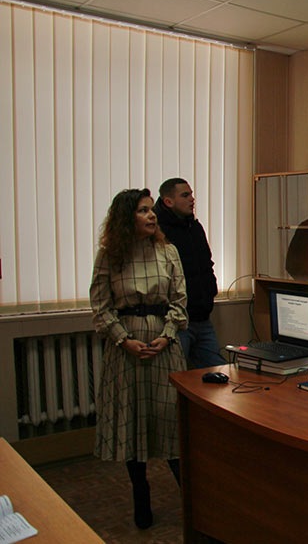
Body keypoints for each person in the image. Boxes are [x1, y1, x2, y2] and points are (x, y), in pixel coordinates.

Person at [89, 188, 188, 530]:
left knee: (172, 421)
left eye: (151, 210)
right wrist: (123, 339)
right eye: (143, 210)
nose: (152, 215)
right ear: (125, 218)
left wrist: (168, 333)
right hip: (126, 351)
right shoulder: (109, 256)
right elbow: (100, 307)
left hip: (164, 346)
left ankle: (196, 500)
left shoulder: (168, 251)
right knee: (133, 423)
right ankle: (140, 495)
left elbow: (180, 300)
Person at [154, 178, 225, 369]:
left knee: (218, 370)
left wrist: (210, 291)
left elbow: (206, 264)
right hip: (175, 321)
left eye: (191, 194)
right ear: (168, 201)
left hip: (202, 317)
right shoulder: (157, 232)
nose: (192, 199)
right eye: (185, 195)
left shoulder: (194, 226)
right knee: (175, 374)